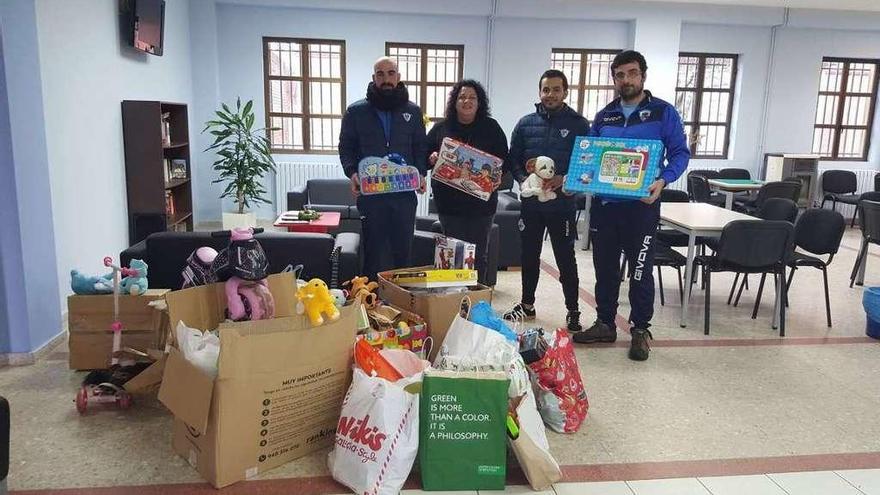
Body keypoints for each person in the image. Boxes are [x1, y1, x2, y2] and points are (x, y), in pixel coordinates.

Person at [573, 50, 690, 362]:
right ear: (614, 78)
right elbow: (589, 158)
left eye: (632, 73)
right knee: (605, 270)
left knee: (640, 270)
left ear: (643, 76)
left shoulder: (663, 113)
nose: (626, 79)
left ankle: (640, 329)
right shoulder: (604, 116)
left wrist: (663, 180)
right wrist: (580, 176)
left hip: (642, 208)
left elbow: (680, 153)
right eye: (620, 74)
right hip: (606, 207)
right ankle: (605, 323)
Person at [502, 69, 590, 332]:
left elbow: (587, 163)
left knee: (565, 257)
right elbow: (513, 158)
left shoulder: (579, 124)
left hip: (562, 204)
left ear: (565, 92)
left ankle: (573, 310)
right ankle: (527, 305)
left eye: (556, 89)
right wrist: (522, 180)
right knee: (529, 255)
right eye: (546, 89)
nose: (550, 94)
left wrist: (565, 179)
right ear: (540, 92)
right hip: (531, 204)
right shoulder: (525, 123)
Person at [339, 56, 428, 279]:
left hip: (404, 195)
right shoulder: (356, 111)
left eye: (391, 73)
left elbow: (420, 147)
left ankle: (401, 301)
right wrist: (352, 173)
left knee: (403, 250)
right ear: (374, 78)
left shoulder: (413, 112)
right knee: (373, 251)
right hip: (372, 195)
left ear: (398, 77)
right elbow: (346, 146)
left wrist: (422, 174)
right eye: (380, 74)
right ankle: (372, 302)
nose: (386, 79)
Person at [426, 79, 509, 285]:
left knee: (478, 255)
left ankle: (477, 298)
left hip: (482, 205)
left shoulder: (491, 127)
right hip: (449, 205)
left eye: (472, 97)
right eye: (462, 96)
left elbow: (505, 160)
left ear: (480, 102)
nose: (467, 101)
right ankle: (453, 300)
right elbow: (423, 155)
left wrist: (498, 175)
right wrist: (432, 157)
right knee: (453, 253)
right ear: (454, 101)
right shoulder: (440, 128)